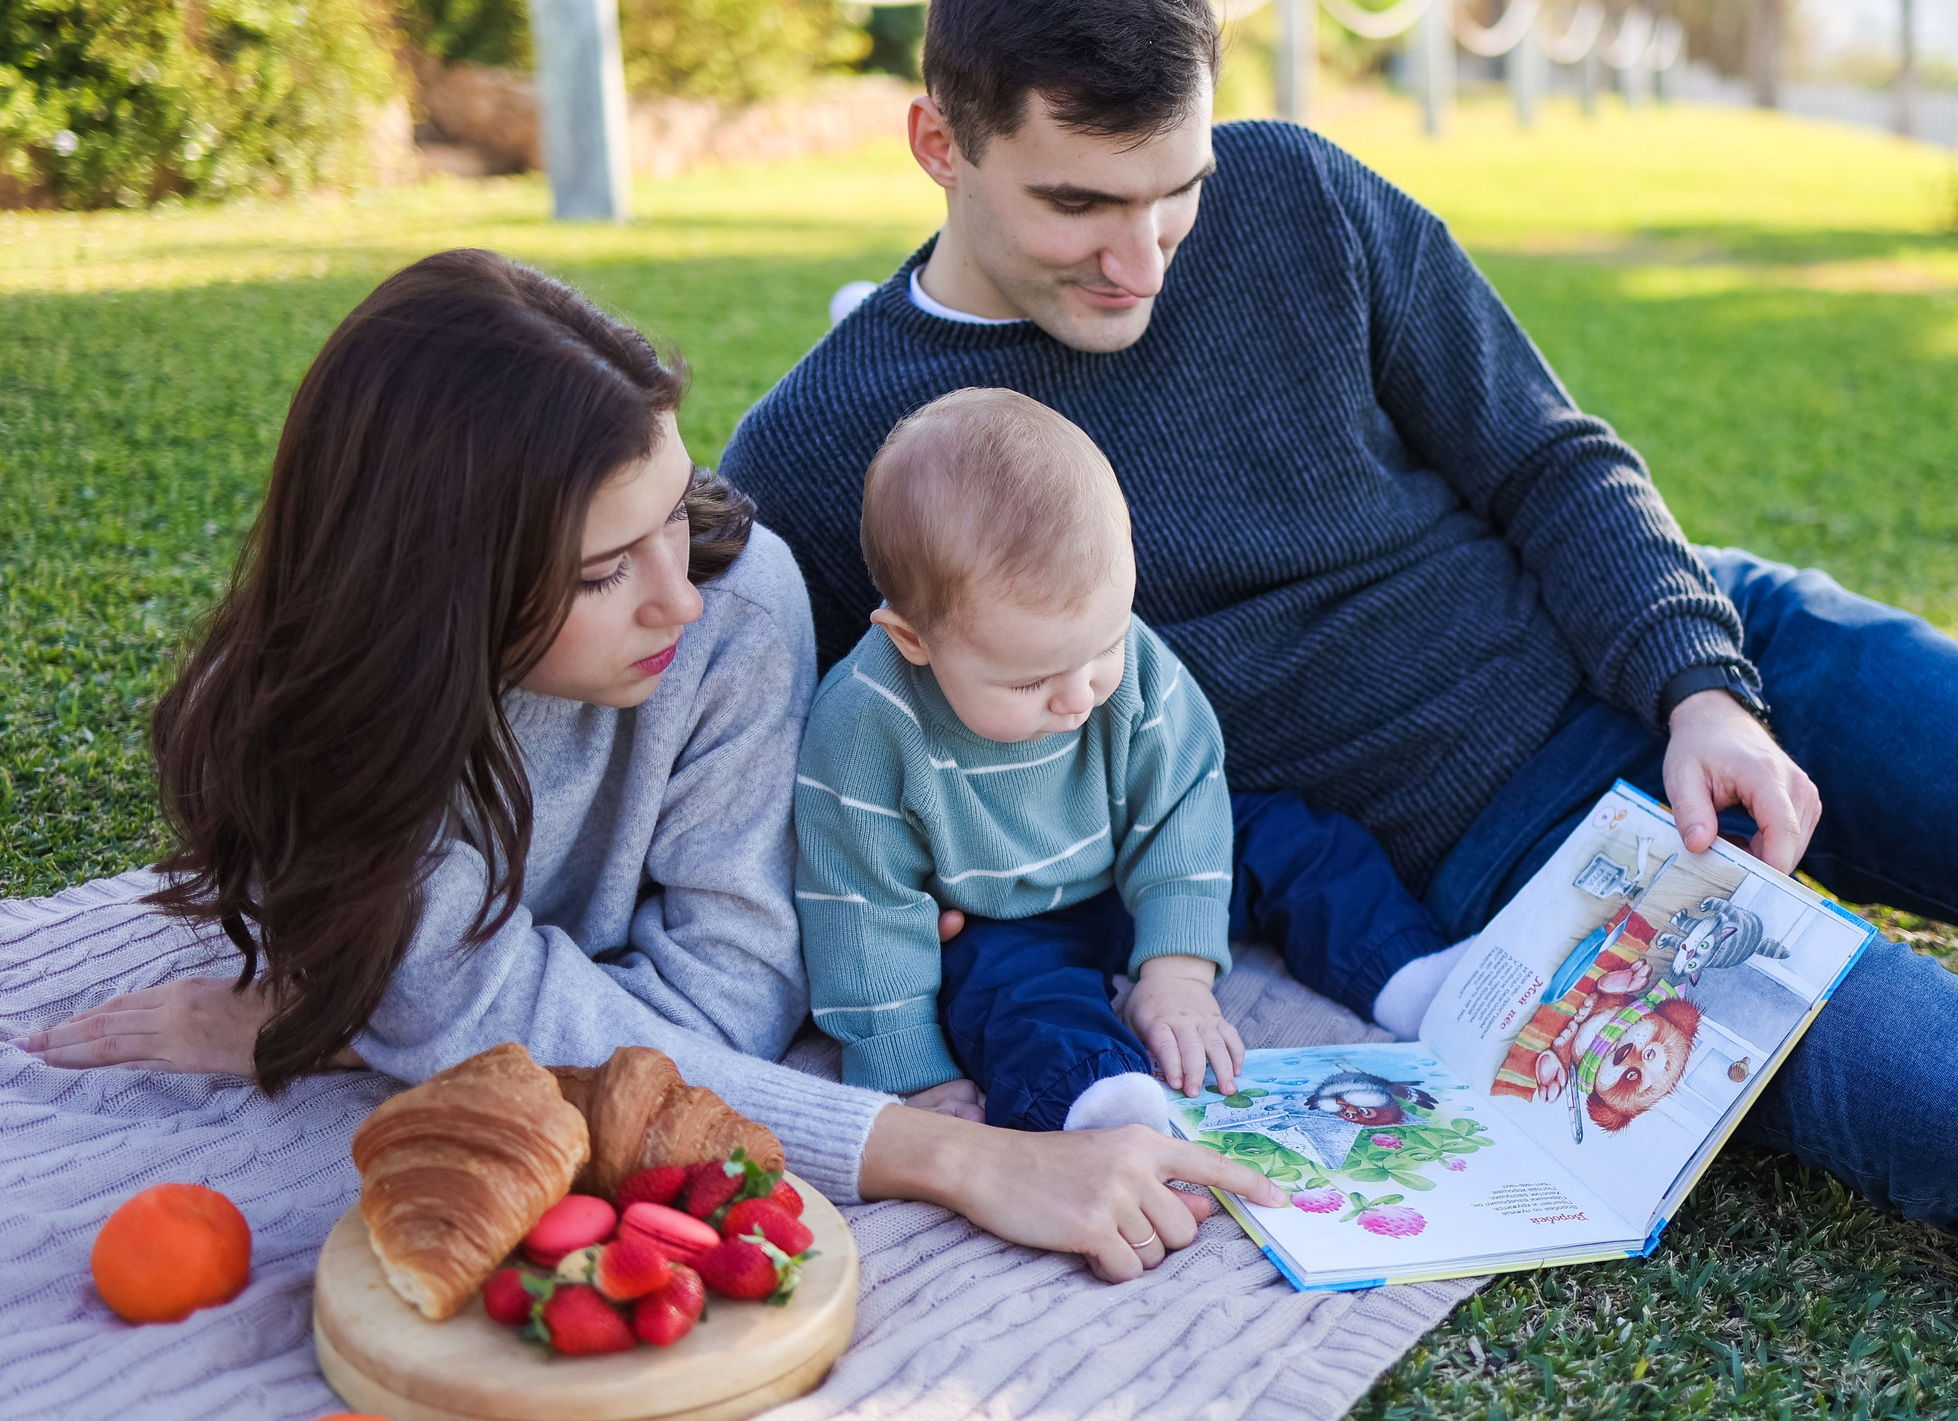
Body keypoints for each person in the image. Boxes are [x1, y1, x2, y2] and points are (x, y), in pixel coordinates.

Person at [720, 0, 1958, 1305]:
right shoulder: (830, 448)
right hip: (1531, 860)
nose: (1141, 259)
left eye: (1173, 191)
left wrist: (1700, 684)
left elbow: (1548, 459)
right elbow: (753, 746)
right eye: (1076, 207)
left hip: (1709, 647)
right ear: (936, 144)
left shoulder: (1295, 199)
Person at [18, 249, 1285, 1283]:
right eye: (600, 571)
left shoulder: (737, 604)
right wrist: (946, 1157)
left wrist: (383, 1029)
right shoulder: (350, 737)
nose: (676, 595)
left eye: (673, 509)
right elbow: (467, 988)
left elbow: (741, 992)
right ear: (435, 597)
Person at [795, 386, 1460, 1134]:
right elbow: (861, 907)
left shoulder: (1128, 664)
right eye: (1030, 679)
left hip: (1146, 853)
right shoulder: (866, 727)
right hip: (1004, 914)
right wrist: (910, 1070)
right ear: (912, 639)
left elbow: (1184, 800)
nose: (1080, 695)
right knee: (1005, 993)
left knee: (1296, 841)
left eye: (1103, 644)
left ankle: (1410, 975)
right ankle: (1100, 1095)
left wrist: (1177, 971)